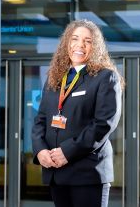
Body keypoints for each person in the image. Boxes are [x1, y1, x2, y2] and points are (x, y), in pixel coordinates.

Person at [32, 19, 123, 207]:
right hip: (57, 173)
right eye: (75, 39)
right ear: (67, 43)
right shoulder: (55, 78)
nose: (80, 45)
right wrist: (40, 150)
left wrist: (66, 152)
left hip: (87, 173)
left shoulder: (105, 77)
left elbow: (103, 124)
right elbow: (41, 119)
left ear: (95, 46)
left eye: (87, 41)